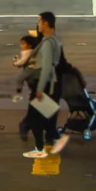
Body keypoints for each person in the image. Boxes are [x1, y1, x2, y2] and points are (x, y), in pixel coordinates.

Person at [24, 11, 69, 159]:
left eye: (39, 21)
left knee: (33, 117)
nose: (38, 24)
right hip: (51, 84)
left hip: (46, 84)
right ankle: (55, 138)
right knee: (46, 115)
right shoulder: (53, 40)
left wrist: (40, 88)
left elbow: (47, 67)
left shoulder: (48, 43)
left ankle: (40, 147)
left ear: (45, 23)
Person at [13, 32, 41, 141]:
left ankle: (29, 125)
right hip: (37, 81)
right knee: (40, 106)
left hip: (38, 80)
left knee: (40, 106)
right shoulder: (39, 48)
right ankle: (27, 125)